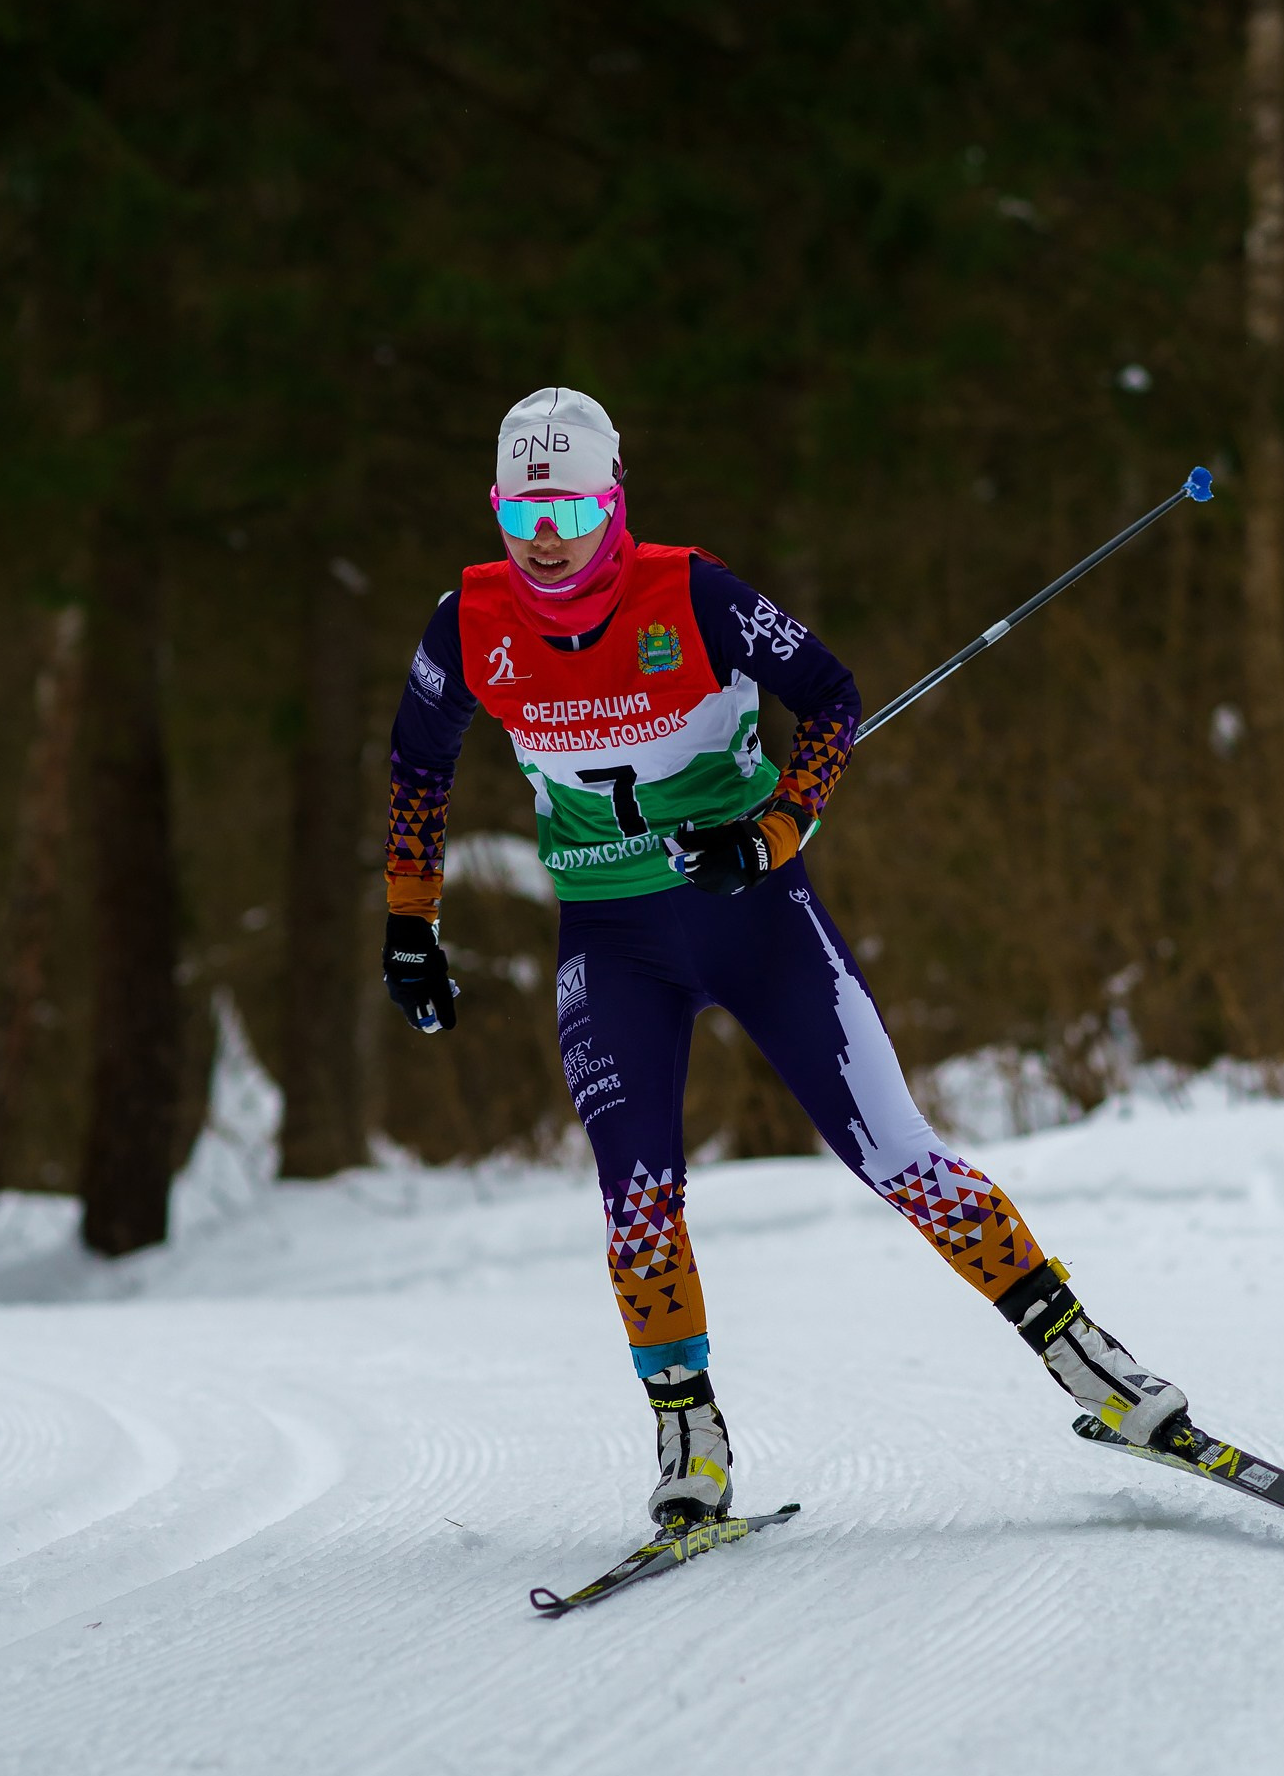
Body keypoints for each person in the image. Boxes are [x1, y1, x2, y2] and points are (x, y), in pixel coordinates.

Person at [382, 386, 1190, 1531]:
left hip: (755, 918)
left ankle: (1083, 1359)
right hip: (609, 938)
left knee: (896, 1150)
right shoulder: (463, 622)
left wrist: (772, 829)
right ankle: (688, 1437)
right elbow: (418, 767)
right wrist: (408, 920)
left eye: (564, 511)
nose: (544, 541)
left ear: (611, 502)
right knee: (635, 1200)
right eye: (520, 519)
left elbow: (832, 698)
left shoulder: (691, 592)